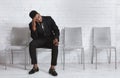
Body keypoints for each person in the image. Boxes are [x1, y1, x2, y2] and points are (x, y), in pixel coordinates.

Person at [28, 10, 60, 76]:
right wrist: (34, 27)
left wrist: (56, 38)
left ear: (39, 13)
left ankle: (52, 68)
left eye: (38, 16)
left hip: (50, 39)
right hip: (40, 40)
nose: (38, 18)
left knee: (55, 44)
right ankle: (35, 67)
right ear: (33, 20)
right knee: (32, 44)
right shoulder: (31, 24)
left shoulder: (49, 19)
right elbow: (34, 38)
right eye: (36, 19)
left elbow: (56, 30)